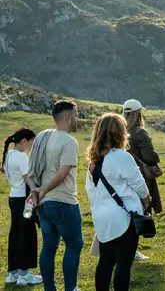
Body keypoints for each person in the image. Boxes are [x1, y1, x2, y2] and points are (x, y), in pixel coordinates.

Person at [85, 114, 150, 291]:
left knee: (105, 261)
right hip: (124, 217)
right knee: (124, 263)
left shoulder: (93, 162)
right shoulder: (121, 157)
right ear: (120, 133)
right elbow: (140, 186)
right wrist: (146, 200)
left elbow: (91, 191)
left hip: (102, 218)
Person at [29, 100, 84, 291]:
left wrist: (37, 191)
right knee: (74, 244)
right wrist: (43, 189)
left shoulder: (42, 136)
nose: (78, 119)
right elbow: (62, 173)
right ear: (68, 117)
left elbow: (33, 168)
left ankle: (49, 288)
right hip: (62, 200)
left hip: (43, 204)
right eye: (76, 115)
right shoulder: (69, 141)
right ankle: (71, 288)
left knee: (49, 247)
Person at [122, 99, 160, 262]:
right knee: (138, 211)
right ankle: (132, 250)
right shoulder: (140, 133)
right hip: (139, 177)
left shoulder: (119, 131)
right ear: (139, 114)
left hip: (121, 177)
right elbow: (150, 156)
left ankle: (125, 248)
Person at [4, 128, 42, 286]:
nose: (31, 146)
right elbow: (29, 180)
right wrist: (36, 196)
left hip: (13, 199)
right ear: (24, 141)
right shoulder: (21, 157)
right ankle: (24, 275)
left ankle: (12, 273)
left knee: (15, 234)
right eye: (31, 142)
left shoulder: (9, 155)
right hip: (25, 203)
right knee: (26, 235)